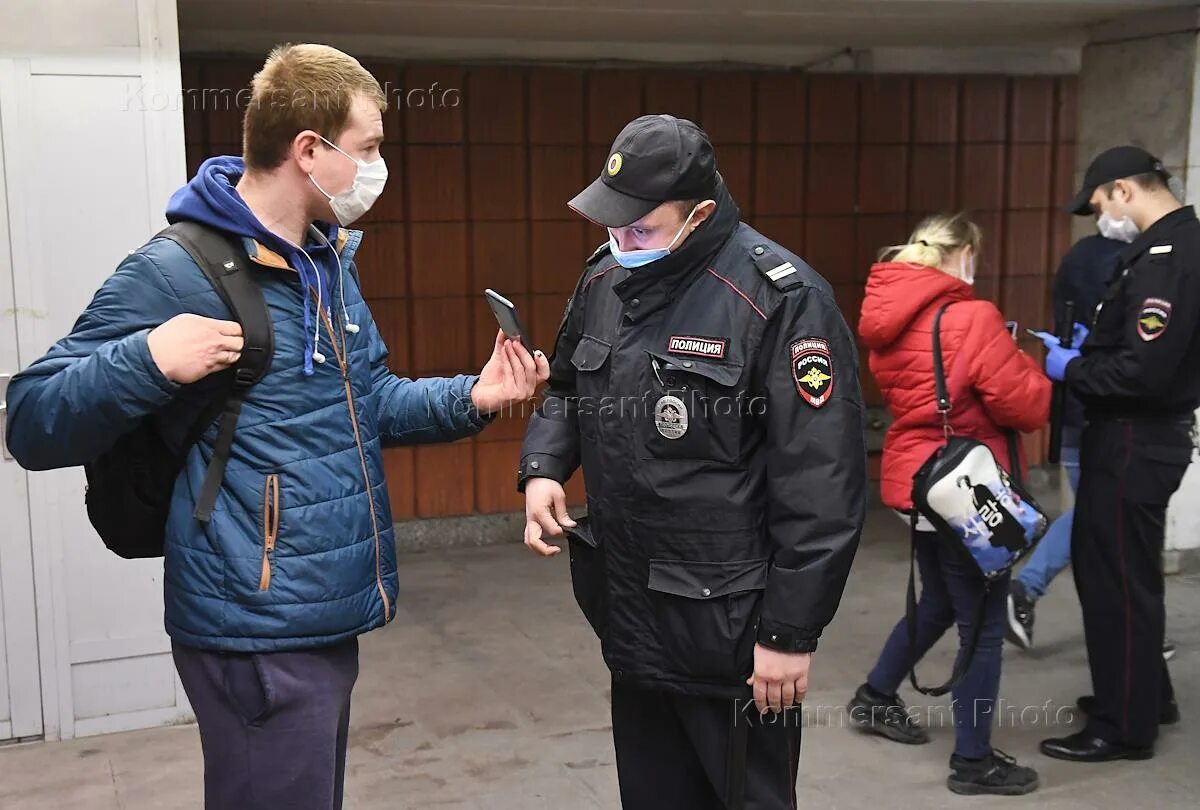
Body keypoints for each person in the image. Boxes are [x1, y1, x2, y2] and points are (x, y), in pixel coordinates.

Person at [3, 44, 546, 810]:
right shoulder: (175, 270)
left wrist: (475, 396)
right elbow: (31, 418)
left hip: (320, 611)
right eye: (368, 149)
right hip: (254, 625)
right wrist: (150, 357)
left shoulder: (323, 259)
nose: (378, 167)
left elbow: (368, 402)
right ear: (308, 151)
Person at [519, 114, 866, 809]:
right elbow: (565, 386)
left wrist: (789, 633)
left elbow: (821, 482)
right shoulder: (604, 281)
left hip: (730, 637)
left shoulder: (782, 299)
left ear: (699, 214)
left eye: (640, 230)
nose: (621, 244)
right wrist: (544, 468)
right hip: (630, 612)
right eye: (611, 228)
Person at [848, 213, 1050, 796]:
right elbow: (1024, 406)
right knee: (983, 627)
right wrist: (1023, 362)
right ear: (962, 256)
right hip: (968, 488)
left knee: (938, 598)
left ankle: (876, 696)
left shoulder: (889, 322)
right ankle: (974, 761)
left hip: (918, 482)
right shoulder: (972, 316)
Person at [1038, 145, 1195, 763]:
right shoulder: (1176, 248)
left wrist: (1074, 367)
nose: (1104, 216)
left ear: (1126, 190)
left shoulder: (1167, 257)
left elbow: (1144, 372)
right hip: (1140, 435)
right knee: (1132, 574)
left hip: (1132, 434)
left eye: (1102, 203)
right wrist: (1089, 353)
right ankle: (1146, 696)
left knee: (1114, 581)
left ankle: (1122, 726)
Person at [1005, 225, 1126, 649]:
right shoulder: (1124, 261)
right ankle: (1027, 589)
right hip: (1100, 407)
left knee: (1100, 515)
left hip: (1077, 403)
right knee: (1103, 514)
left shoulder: (1081, 255)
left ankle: (1138, 629)